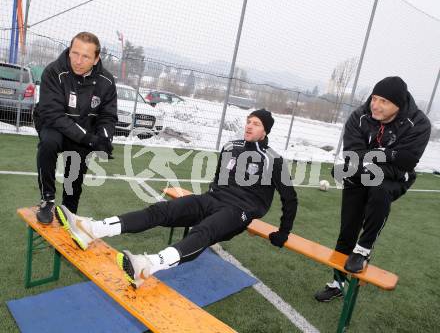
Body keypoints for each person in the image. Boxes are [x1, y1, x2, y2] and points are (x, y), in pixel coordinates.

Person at [56, 109, 298, 288]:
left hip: (238, 212)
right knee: (159, 211)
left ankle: (147, 265)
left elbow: (290, 199)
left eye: (255, 124)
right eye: (248, 122)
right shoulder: (230, 146)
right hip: (212, 199)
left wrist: (283, 232)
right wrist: (212, 194)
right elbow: (218, 175)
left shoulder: (273, 160)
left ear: (265, 130)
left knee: (202, 232)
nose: (249, 126)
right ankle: (92, 229)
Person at [315, 76, 431, 302]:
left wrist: (377, 160)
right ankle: (337, 282)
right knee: (348, 227)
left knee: (378, 188)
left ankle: (363, 249)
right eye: (374, 99)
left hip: (395, 177)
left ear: (398, 104)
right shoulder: (359, 117)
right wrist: (386, 156)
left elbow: (406, 161)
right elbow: (354, 156)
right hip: (360, 171)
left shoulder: (419, 124)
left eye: (384, 101)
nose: (375, 105)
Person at [34, 31, 117, 224]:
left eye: (86, 56)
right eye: (75, 53)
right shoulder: (53, 71)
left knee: (76, 174)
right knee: (48, 143)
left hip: (84, 130)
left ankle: (68, 212)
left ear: (96, 59)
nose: (78, 60)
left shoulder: (106, 81)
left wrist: (104, 138)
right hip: (54, 126)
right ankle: (47, 199)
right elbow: (53, 114)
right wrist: (89, 139)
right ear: (70, 51)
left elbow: (108, 115)